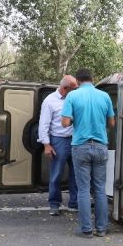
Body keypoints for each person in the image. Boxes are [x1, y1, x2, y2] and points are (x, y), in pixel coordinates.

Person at [61, 68, 115, 238]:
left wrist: (78, 120)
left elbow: (64, 123)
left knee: (83, 189)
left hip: (81, 146)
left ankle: (86, 229)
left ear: (77, 81)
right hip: (100, 146)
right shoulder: (104, 96)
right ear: (93, 79)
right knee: (99, 189)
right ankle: (101, 228)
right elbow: (112, 123)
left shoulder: (72, 96)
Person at [38, 75, 79, 216]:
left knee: (76, 173)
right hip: (58, 140)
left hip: (75, 140)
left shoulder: (74, 98)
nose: (76, 91)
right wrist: (46, 144)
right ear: (65, 88)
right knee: (56, 173)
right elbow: (44, 124)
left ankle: (74, 203)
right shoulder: (50, 101)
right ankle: (54, 204)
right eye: (74, 88)